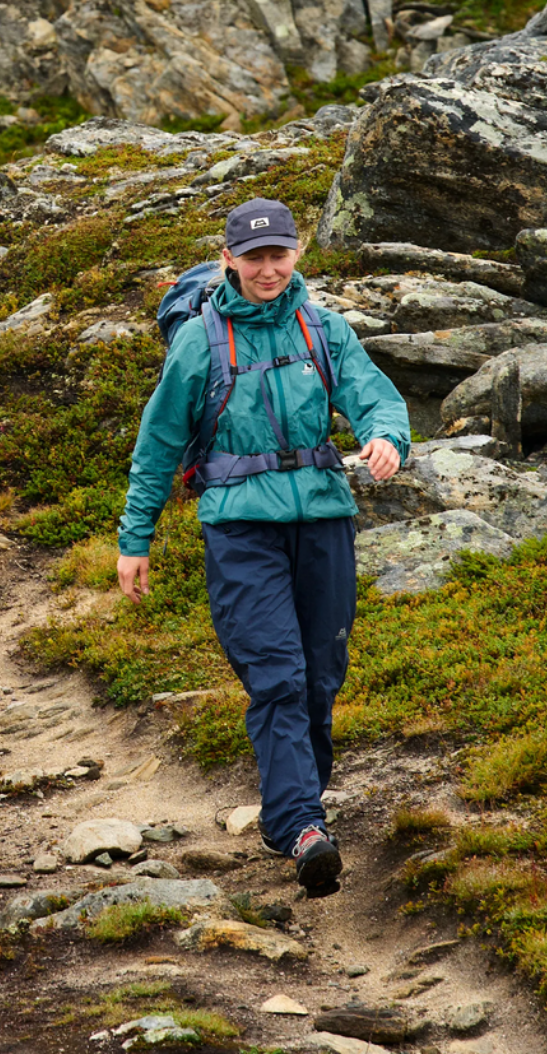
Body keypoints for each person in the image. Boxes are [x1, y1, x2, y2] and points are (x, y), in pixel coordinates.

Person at [116, 197, 409, 897]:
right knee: (276, 673)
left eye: (279, 254)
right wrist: (136, 539)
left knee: (320, 675)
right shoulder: (201, 341)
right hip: (239, 526)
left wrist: (385, 438)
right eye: (253, 258)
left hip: (324, 519)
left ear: (296, 254)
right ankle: (306, 825)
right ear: (229, 261)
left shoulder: (324, 328)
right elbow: (157, 445)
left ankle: (291, 817)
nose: (268, 269)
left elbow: (376, 397)